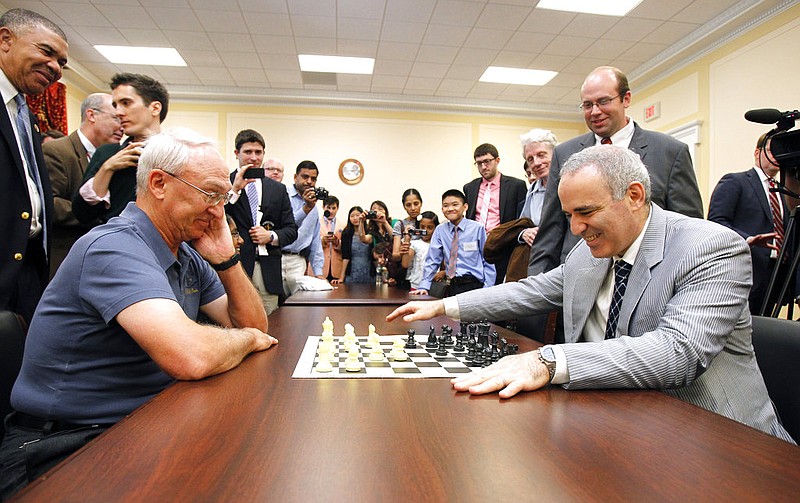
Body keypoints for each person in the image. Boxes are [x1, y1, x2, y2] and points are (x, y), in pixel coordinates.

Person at [387, 145, 793, 444]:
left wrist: (548, 360)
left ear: (634, 196)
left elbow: (678, 352)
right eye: (569, 217)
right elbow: (538, 288)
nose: (576, 230)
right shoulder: (593, 248)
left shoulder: (710, 248)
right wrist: (445, 305)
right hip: (623, 425)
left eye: (586, 212)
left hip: (722, 441)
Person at [0, 128, 279, 499]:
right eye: (210, 194)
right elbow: (193, 355)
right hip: (64, 445)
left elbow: (256, 325)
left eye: (223, 196)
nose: (219, 210)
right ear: (159, 183)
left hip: (142, 423)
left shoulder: (187, 251)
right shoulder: (113, 247)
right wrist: (245, 339)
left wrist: (227, 261)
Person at [528, 66, 703, 277]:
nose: (595, 111)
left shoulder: (669, 152)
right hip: (580, 278)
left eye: (603, 101)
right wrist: (534, 296)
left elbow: (687, 230)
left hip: (646, 279)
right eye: (587, 105)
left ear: (626, 99)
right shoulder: (564, 153)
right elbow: (550, 232)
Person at [0, 8, 68, 324]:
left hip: (26, 272)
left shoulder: (26, 113)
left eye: (62, 63)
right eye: (46, 52)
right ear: (5, 40)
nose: (55, 67)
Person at [708, 133, 798, 315]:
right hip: (747, 270)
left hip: (777, 274)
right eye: (771, 151)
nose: (775, 157)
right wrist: (747, 239)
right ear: (757, 153)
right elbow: (716, 222)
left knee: (766, 328)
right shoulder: (735, 182)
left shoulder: (785, 192)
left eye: (779, 153)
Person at [71, 72, 168, 226]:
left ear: (155, 108)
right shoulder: (107, 153)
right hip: (113, 243)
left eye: (126, 103)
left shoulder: (179, 155)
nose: (118, 112)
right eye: (116, 105)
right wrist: (108, 168)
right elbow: (83, 214)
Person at [43, 92, 123, 276]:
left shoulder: (114, 156)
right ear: (91, 115)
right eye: (116, 118)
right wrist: (100, 213)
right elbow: (50, 205)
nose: (121, 127)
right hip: (65, 259)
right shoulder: (57, 151)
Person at [225, 129, 297, 314]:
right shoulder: (223, 182)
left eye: (258, 152)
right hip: (235, 267)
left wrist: (271, 236)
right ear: (237, 154)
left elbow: (291, 229)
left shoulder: (278, 189)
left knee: (271, 324)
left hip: (269, 269)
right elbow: (215, 219)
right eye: (248, 152)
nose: (253, 157)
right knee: (237, 321)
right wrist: (234, 191)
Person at [464, 143, 527, 284]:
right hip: (475, 247)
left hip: (503, 245)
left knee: (499, 287)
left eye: (487, 161)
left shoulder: (516, 186)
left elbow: (521, 219)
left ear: (497, 160)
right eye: (479, 163)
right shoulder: (470, 187)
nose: (483, 167)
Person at [415, 189, 496, 297]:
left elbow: (488, 259)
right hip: (453, 285)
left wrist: (488, 288)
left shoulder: (477, 228)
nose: (450, 209)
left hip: (475, 285)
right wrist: (424, 286)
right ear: (442, 209)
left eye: (455, 205)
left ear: (465, 207)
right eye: (446, 206)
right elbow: (433, 260)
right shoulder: (440, 230)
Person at [281, 160, 324, 296]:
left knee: (298, 305)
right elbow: (286, 225)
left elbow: (315, 241)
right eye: (305, 177)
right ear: (295, 177)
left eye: (313, 179)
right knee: (274, 305)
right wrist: (306, 208)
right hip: (276, 258)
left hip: (298, 261)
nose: (309, 182)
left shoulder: (314, 209)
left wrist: (318, 272)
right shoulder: (282, 196)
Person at [391, 189, 424, 285]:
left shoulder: (428, 221)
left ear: (421, 203)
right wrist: (402, 251)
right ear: (404, 206)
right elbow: (395, 255)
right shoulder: (400, 224)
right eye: (408, 205)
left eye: (416, 203)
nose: (413, 208)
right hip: (407, 275)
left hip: (426, 274)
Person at [403, 210, 439, 292]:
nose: (425, 231)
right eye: (422, 227)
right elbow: (405, 264)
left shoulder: (438, 245)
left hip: (434, 286)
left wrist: (442, 273)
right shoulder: (414, 244)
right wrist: (407, 239)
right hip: (416, 286)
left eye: (430, 227)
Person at [337, 206, 373, 284]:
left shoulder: (370, 232)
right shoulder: (346, 233)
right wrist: (341, 278)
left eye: (357, 215)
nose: (355, 218)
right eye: (352, 216)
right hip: (352, 270)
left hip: (369, 270)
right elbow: (345, 257)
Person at [320, 196, 344, 282]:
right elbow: (309, 243)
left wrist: (336, 242)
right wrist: (322, 240)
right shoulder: (316, 223)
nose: (331, 211)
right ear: (323, 207)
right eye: (328, 208)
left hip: (337, 267)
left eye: (334, 208)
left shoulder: (343, 225)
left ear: (338, 208)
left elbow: (346, 247)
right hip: (319, 266)